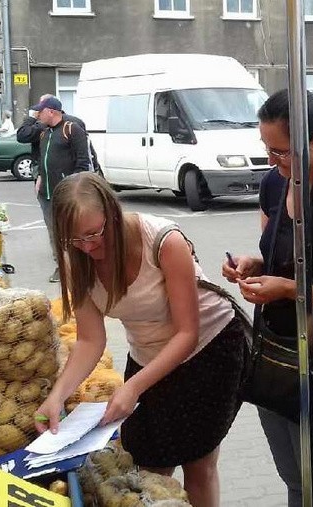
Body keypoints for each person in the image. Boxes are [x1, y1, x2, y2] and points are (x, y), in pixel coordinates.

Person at [35, 172, 246, 507]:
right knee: (146, 461)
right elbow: (91, 340)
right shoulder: (75, 260)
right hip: (149, 353)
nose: (89, 247)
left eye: (95, 234)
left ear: (113, 214)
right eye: (77, 240)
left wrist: (133, 387)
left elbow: (187, 333)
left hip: (210, 348)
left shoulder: (163, 241)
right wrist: (58, 396)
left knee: (198, 463)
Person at [222, 90, 313, 506]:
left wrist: (289, 290)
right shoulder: (273, 183)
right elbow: (276, 254)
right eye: (267, 149)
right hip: (272, 350)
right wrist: (253, 264)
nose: (272, 162)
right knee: (293, 475)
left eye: (282, 152)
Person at [16, 95, 93, 283]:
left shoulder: (72, 129)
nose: (37, 115)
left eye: (39, 112)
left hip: (67, 194)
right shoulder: (44, 132)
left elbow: (83, 162)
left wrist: (75, 189)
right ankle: (62, 267)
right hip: (47, 194)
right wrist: (40, 176)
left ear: (51, 111)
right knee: (54, 233)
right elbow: (42, 157)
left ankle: (82, 268)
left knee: (74, 231)